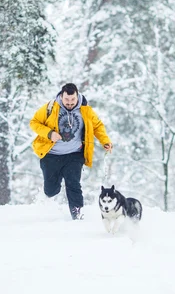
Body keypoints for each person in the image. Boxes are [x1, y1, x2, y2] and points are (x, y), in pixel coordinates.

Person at [30, 83, 113, 219]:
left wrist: (105, 141)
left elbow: (97, 126)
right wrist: (50, 133)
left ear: (77, 96)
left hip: (74, 155)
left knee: (73, 182)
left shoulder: (85, 110)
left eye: (72, 100)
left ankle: (77, 212)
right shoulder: (50, 108)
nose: (69, 103)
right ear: (61, 96)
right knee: (51, 190)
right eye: (66, 100)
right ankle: (52, 189)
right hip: (51, 155)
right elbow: (34, 122)